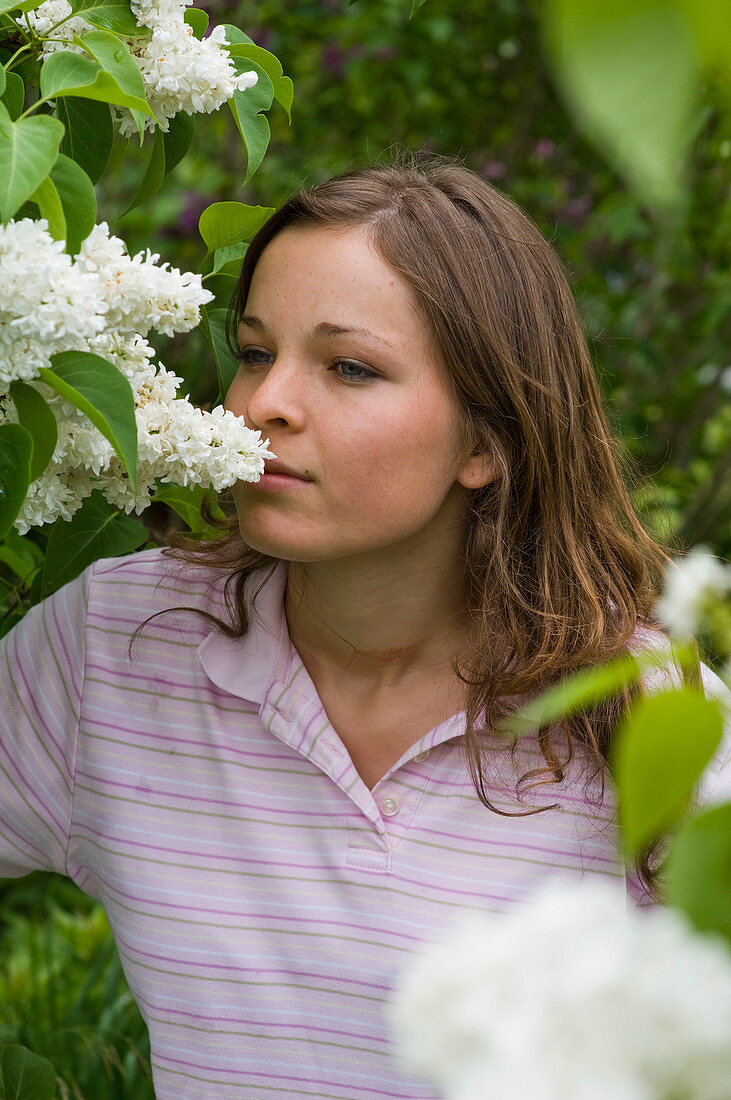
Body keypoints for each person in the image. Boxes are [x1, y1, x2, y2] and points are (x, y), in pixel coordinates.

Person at [1, 153, 728, 1099]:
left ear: (486, 442)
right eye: (256, 352)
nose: (264, 403)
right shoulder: (113, 646)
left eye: (348, 367)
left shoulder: (639, 707)